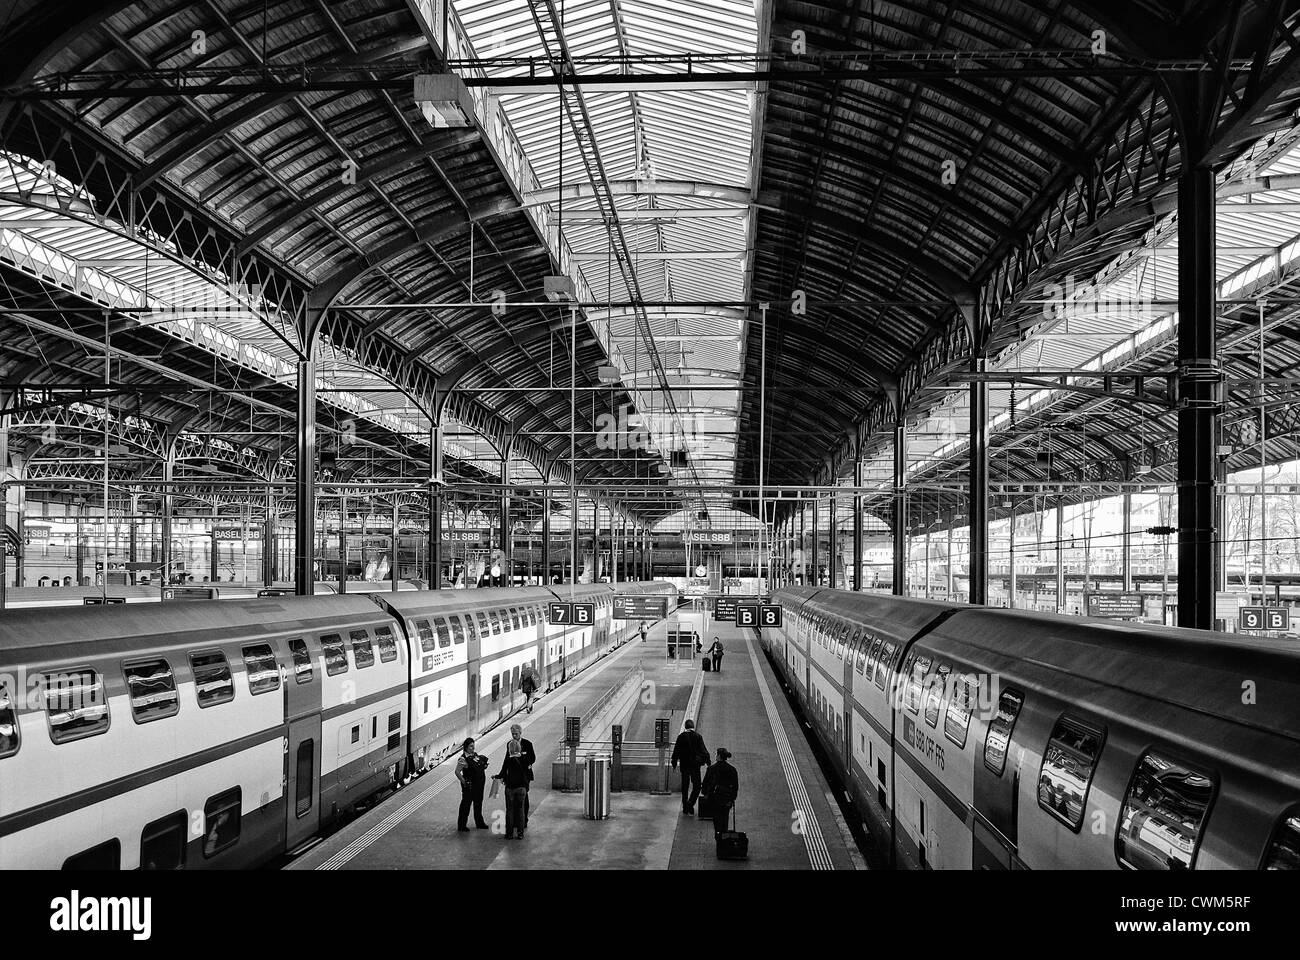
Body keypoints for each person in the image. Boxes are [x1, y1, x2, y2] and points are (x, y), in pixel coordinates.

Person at [670, 719, 710, 814]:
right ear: (693, 727)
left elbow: (676, 751)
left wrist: (674, 763)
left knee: (685, 786)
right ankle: (691, 803)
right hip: (695, 766)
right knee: (697, 786)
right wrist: (708, 761)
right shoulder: (698, 736)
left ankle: (685, 806)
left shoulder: (681, 737)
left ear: (685, 727)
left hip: (684, 766)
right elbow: (703, 750)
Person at [494, 739, 530, 839]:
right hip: (521, 788)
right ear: (519, 748)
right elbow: (528, 772)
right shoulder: (524, 758)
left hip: (510, 788)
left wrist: (496, 777)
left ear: (509, 749)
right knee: (521, 810)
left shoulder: (508, 760)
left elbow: (502, 773)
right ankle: (520, 833)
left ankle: (509, 834)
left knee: (509, 811)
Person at [700, 747, 739, 837]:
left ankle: (718, 836)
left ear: (719, 756)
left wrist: (706, 793)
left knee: (716, 820)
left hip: (714, 799)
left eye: (716, 754)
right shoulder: (732, 770)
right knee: (724, 819)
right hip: (726, 800)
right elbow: (735, 787)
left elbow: (705, 784)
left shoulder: (711, 769)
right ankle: (724, 836)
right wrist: (732, 799)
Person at [455, 738, 490, 831]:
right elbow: (457, 772)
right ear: (466, 747)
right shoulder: (463, 759)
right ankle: (462, 826)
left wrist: (484, 766)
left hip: (478, 786)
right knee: (466, 806)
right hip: (469, 786)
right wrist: (464, 782)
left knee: (478, 804)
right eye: (471, 746)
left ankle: (480, 823)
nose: (473, 748)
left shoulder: (474, 755)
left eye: (473, 746)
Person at [509, 722, 537, 820]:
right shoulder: (510, 744)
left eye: (516, 734)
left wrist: (523, 758)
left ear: (520, 733)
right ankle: (517, 819)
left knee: (524, 797)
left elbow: (533, 758)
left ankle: (524, 819)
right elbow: (507, 760)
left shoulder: (527, 744)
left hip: (525, 775)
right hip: (514, 775)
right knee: (515, 798)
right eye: (512, 734)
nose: (514, 736)